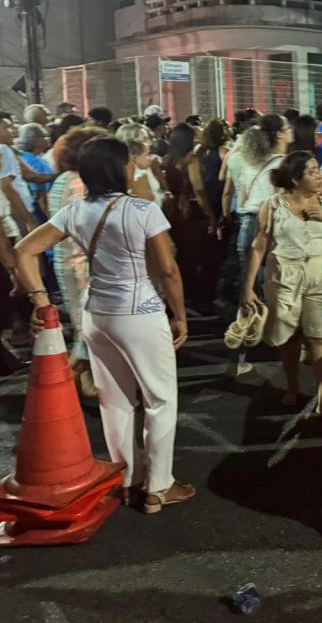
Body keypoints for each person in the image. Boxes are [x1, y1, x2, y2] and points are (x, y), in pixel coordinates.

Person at [14, 136, 195, 513]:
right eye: (128, 163)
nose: (133, 168)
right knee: (160, 398)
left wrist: (40, 299)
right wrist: (179, 314)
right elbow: (167, 269)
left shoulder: (75, 210)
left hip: (96, 313)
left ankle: (126, 481)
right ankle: (159, 486)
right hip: (141, 311)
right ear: (118, 169)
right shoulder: (143, 209)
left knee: (114, 401)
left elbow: (24, 250)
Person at [240, 152, 322, 419]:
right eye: (312, 172)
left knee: (321, 338)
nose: (319, 175)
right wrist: (248, 286)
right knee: (289, 338)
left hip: (321, 273)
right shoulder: (273, 205)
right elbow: (259, 245)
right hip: (284, 276)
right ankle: (293, 386)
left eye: (318, 170)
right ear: (295, 178)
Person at [223, 114, 293, 375]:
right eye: (287, 127)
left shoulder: (247, 159)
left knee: (249, 287)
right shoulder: (284, 164)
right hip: (274, 227)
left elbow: (239, 195)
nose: (291, 130)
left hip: (247, 224)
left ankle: (237, 357)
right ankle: (288, 345)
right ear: (279, 134)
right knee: (283, 286)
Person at [46, 126, 109, 395]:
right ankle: (57, 394)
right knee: (88, 334)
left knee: (84, 328)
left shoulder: (62, 179)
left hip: (67, 261)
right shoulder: (82, 184)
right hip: (82, 264)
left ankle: (87, 384)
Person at [164, 123, 222, 312]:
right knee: (198, 253)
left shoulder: (167, 159)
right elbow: (199, 190)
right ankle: (199, 297)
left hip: (172, 212)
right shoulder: (191, 160)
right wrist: (211, 216)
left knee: (180, 253)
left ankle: (181, 294)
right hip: (190, 214)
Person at [15, 123, 53, 221]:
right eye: (43, 136)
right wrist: (48, 220)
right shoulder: (35, 161)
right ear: (36, 140)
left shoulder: (26, 156)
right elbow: (39, 196)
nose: (47, 139)